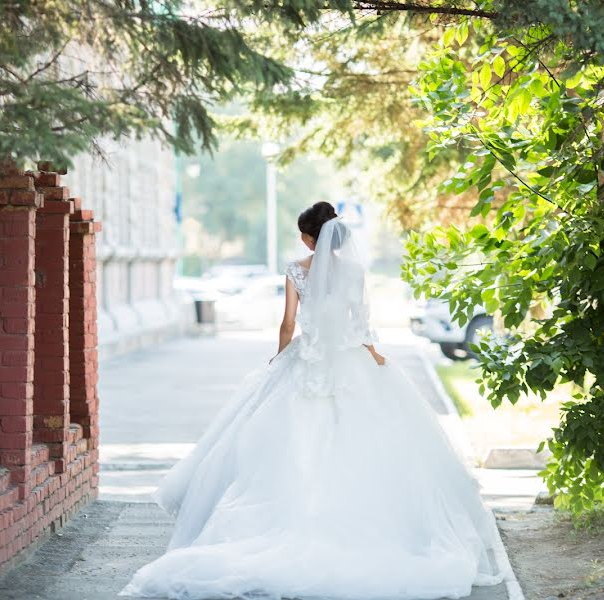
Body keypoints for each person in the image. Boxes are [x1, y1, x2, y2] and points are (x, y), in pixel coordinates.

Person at [120, 202, 505, 600]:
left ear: (308, 236)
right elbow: (360, 322)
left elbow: (288, 323)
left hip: (309, 361)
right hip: (349, 359)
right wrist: (372, 354)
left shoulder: (296, 269)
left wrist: (279, 355)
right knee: (369, 443)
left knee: (280, 442)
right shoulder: (354, 271)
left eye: (303, 234)